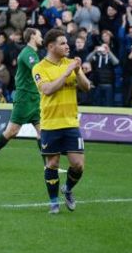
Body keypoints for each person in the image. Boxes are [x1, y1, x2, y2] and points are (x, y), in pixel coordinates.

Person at [32, 28, 91, 214]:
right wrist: (66, 73)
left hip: (71, 123)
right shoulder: (39, 68)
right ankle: (53, 202)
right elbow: (47, 89)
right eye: (63, 43)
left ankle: (68, 189)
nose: (67, 46)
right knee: (53, 164)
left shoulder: (71, 64)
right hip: (50, 124)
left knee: (78, 164)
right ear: (51, 46)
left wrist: (78, 71)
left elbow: (87, 87)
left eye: (67, 42)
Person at [0, 28, 43, 170]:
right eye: (40, 35)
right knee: (11, 132)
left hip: (34, 98)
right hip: (24, 99)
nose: (42, 38)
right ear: (33, 36)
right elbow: (37, 70)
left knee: (43, 132)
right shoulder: (28, 54)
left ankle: (50, 167)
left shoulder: (33, 53)